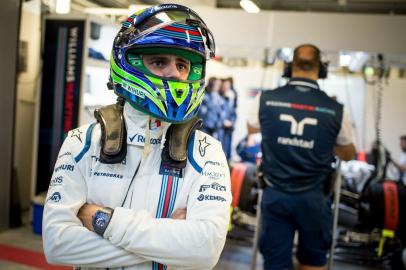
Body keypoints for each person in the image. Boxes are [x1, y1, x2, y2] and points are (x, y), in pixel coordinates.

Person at [42, 4, 231, 270]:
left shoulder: (206, 151)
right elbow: (57, 244)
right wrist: (172, 244)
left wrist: (101, 219)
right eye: (158, 62)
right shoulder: (83, 141)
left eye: (182, 64)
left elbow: (206, 250)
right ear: (126, 63)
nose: (175, 73)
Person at [248, 44, 356, 270]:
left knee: (275, 264)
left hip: (275, 194)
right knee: (312, 264)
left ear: (289, 67)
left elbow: (251, 128)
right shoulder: (336, 109)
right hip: (314, 199)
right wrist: (324, 139)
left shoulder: (265, 100)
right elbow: (348, 154)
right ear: (322, 69)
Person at [219, 77, 237, 161]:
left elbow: (234, 112)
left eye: (228, 85)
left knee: (227, 148)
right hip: (220, 128)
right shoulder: (219, 97)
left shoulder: (232, 97)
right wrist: (223, 122)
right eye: (225, 85)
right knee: (220, 148)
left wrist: (232, 122)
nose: (226, 87)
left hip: (229, 128)